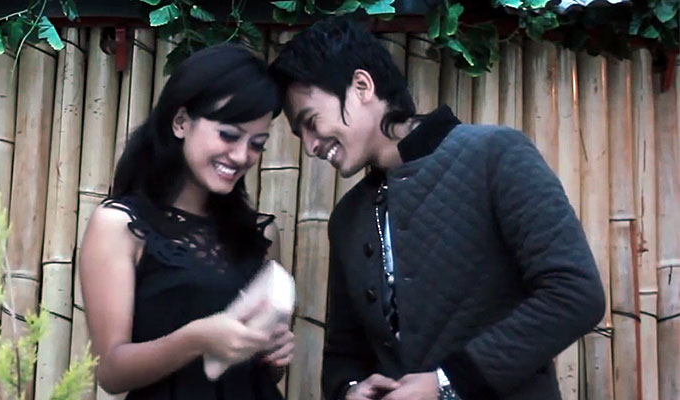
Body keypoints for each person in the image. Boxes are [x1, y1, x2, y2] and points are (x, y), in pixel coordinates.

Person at [270, 18, 605, 400]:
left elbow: (575, 293)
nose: (310, 146)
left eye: (311, 122)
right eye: (301, 135)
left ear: (362, 86)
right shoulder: (347, 218)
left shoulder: (494, 154)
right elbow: (344, 352)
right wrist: (349, 389)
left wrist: (447, 383)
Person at [80, 44, 294, 400]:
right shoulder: (119, 225)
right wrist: (196, 339)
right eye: (229, 135)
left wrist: (275, 355)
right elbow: (112, 373)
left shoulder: (260, 234)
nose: (242, 155)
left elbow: (263, 374)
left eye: (257, 144)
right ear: (181, 122)